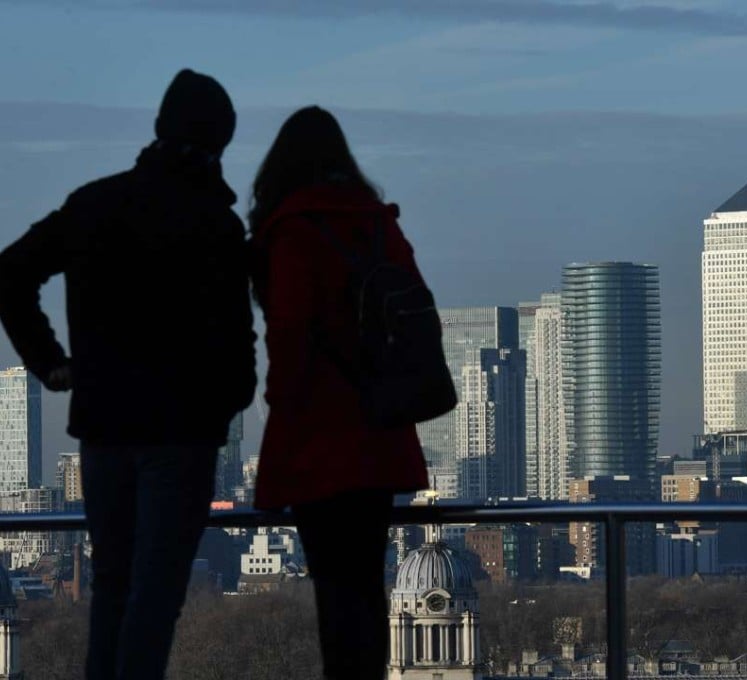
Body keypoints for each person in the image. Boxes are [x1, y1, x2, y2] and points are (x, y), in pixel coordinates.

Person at [0, 69, 256, 679]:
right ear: (220, 142)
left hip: (106, 429)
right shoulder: (215, 225)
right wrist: (222, 407)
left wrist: (51, 363)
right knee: (155, 595)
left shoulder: (97, 204)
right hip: (182, 435)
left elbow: (11, 274)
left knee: (112, 589)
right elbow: (238, 345)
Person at [249, 106, 429, 680]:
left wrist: (281, 407)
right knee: (365, 588)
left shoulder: (292, 232)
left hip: (318, 440)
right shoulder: (380, 224)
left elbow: (290, 336)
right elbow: (419, 316)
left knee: (333, 591)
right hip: (380, 431)